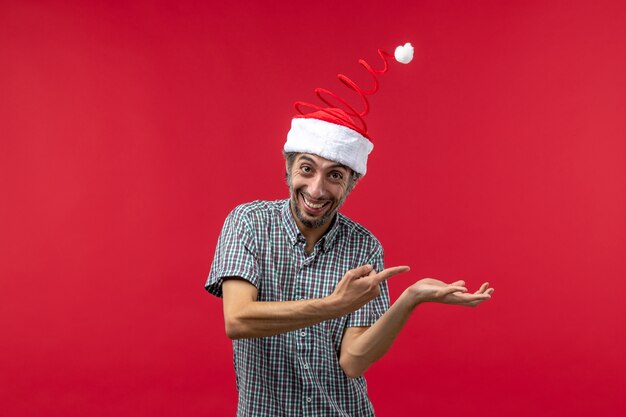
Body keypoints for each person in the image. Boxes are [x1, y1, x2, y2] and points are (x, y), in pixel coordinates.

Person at [205, 43, 494, 417]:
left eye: (335, 176)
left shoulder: (363, 247)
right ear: (288, 167)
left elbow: (353, 361)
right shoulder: (247, 223)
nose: (317, 189)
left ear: (352, 183)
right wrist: (334, 305)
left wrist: (409, 300)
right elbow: (238, 320)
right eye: (307, 169)